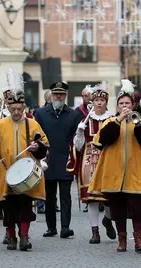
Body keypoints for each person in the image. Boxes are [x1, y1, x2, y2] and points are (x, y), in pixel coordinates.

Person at [0, 68, 49, 251]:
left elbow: (44, 145)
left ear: (23, 108)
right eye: (13, 109)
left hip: (26, 173)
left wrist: (37, 147)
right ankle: (11, 236)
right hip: (5, 172)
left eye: (20, 109)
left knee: (25, 206)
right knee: (8, 208)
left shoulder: (32, 124)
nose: (17, 112)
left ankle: (24, 236)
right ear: (8, 108)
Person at [88, 79, 141, 253]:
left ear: (133, 105)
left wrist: (136, 123)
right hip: (114, 173)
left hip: (136, 173)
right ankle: (122, 240)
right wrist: (119, 120)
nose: (125, 106)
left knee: (137, 209)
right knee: (117, 209)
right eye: (121, 104)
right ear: (117, 106)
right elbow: (104, 140)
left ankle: (139, 240)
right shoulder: (109, 122)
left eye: (127, 103)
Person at [67, 84, 116, 244]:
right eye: (97, 100)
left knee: (108, 196)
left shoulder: (112, 118)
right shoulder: (85, 120)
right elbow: (78, 146)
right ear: (92, 102)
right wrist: (80, 132)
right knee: (92, 198)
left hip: (108, 159)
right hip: (89, 161)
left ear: (106, 102)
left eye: (102, 100)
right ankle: (95, 232)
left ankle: (108, 220)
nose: (99, 103)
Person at [34, 81, 80, 238]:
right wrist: (39, 157)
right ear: (51, 95)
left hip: (66, 160)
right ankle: (51, 227)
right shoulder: (40, 114)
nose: (58, 96)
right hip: (47, 160)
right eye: (56, 93)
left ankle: (65, 227)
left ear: (65, 95)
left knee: (65, 195)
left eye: (61, 94)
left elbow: (76, 138)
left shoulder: (73, 115)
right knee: (49, 195)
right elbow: (36, 136)